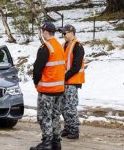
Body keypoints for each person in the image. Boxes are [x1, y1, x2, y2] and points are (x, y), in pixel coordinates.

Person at [31, 22, 66, 150]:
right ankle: (56, 143)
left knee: (44, 116)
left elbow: (37, 69)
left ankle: (46, 143)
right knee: (55, 116)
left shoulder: (45, 47)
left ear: (45, 32)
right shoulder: (59, 46)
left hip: (47, 90)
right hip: (59, 89)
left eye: (42, 32)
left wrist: (36, 83)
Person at [58, 24, 85, 139]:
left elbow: (76, 66)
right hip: (64, 81)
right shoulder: (63, 45)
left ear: (72, 33)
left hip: (72, 81)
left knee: (70, 106)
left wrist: (64, 77)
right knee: (63, 107)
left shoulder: (77, 46)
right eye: (62, 33)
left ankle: (74, 129)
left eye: (65, 33)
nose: (63, 35)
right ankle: (68, 128)